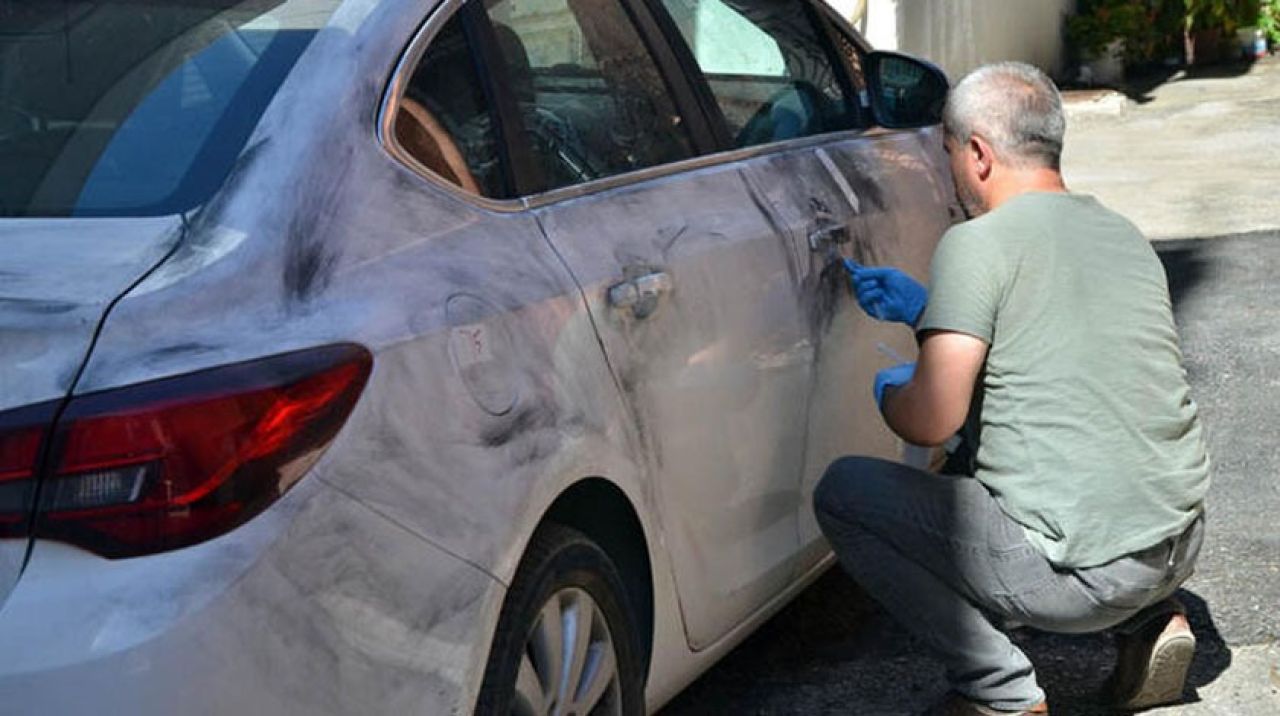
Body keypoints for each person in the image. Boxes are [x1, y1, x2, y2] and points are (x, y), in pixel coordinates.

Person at [814, 62, 1210, 716]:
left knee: (845, 492)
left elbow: (930, 420)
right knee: (1072, 434)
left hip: (1081, 577)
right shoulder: (1121, 233)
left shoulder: (977, 243)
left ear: (977, 153)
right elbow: (1060, 352)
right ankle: (1151, 619)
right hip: (1177, 544)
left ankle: (999, 691)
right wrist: (926, 311)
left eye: (947, 153)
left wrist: (891, 392)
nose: (949, 172)